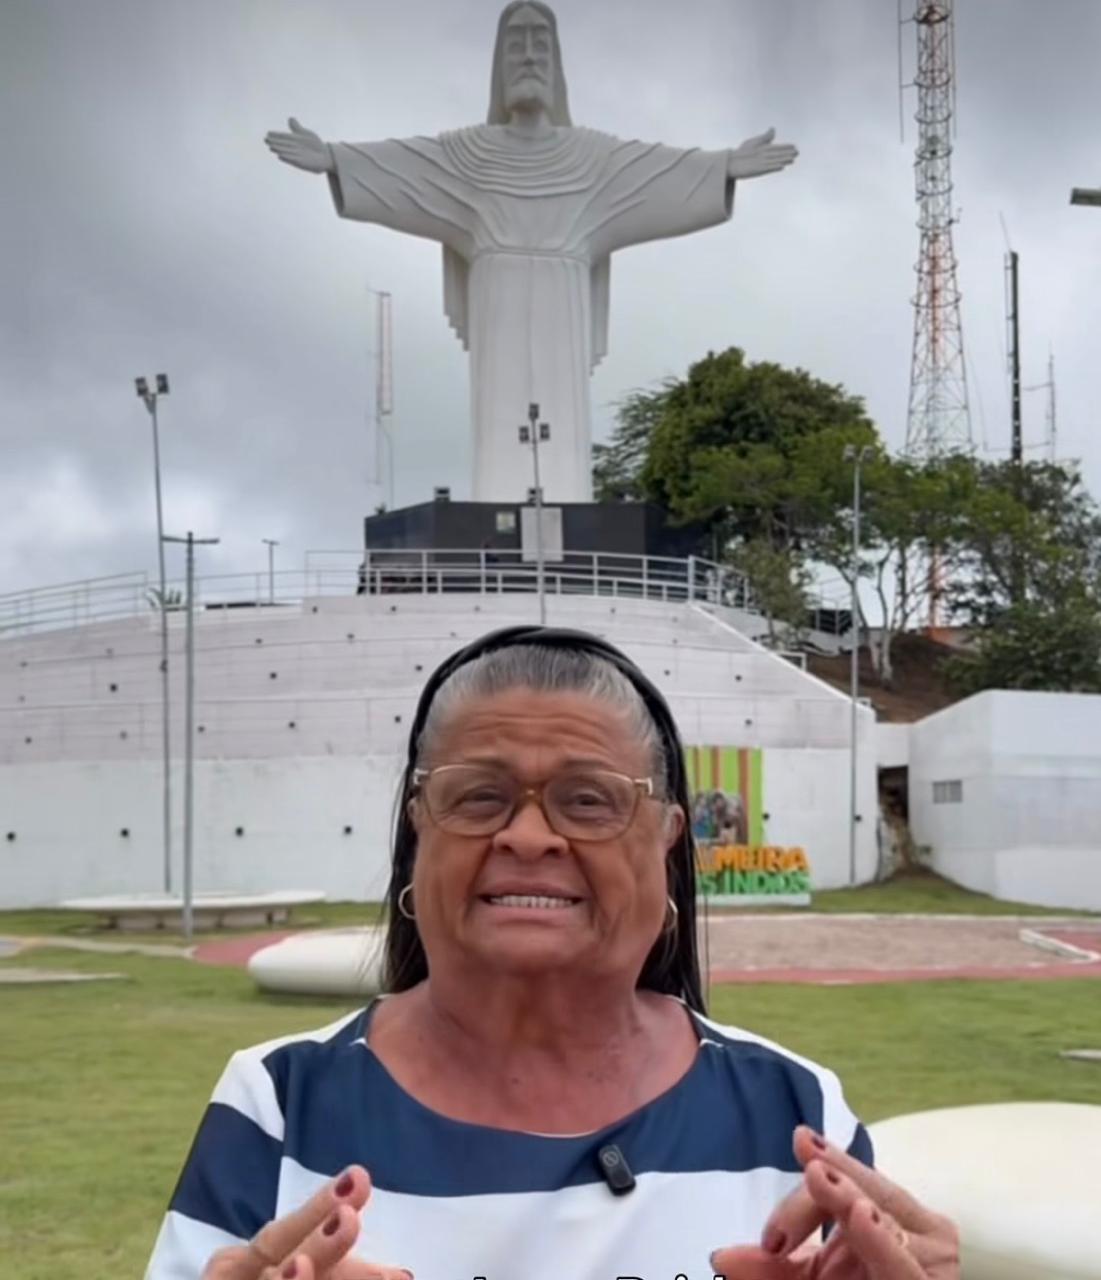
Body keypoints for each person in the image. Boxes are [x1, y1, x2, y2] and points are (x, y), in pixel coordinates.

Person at [146, 626, 959, 1280]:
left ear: (666, 843)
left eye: (588, 800)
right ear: (417, 833)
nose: (529, 837)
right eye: (478, 796)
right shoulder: (279, 1106)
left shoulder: (793, 1112)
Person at [264, 3, 796, 503]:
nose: (528, 55)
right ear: (498, 65)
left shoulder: (593, 158)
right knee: (502, 436)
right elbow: (404, 165)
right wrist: (335, 158)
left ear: (557, 63)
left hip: (563, 300)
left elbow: (659, 172)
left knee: (562, 443)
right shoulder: (465, 156)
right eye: (515, 42)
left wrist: (723, 166)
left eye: (540, 43)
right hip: (499, 300)